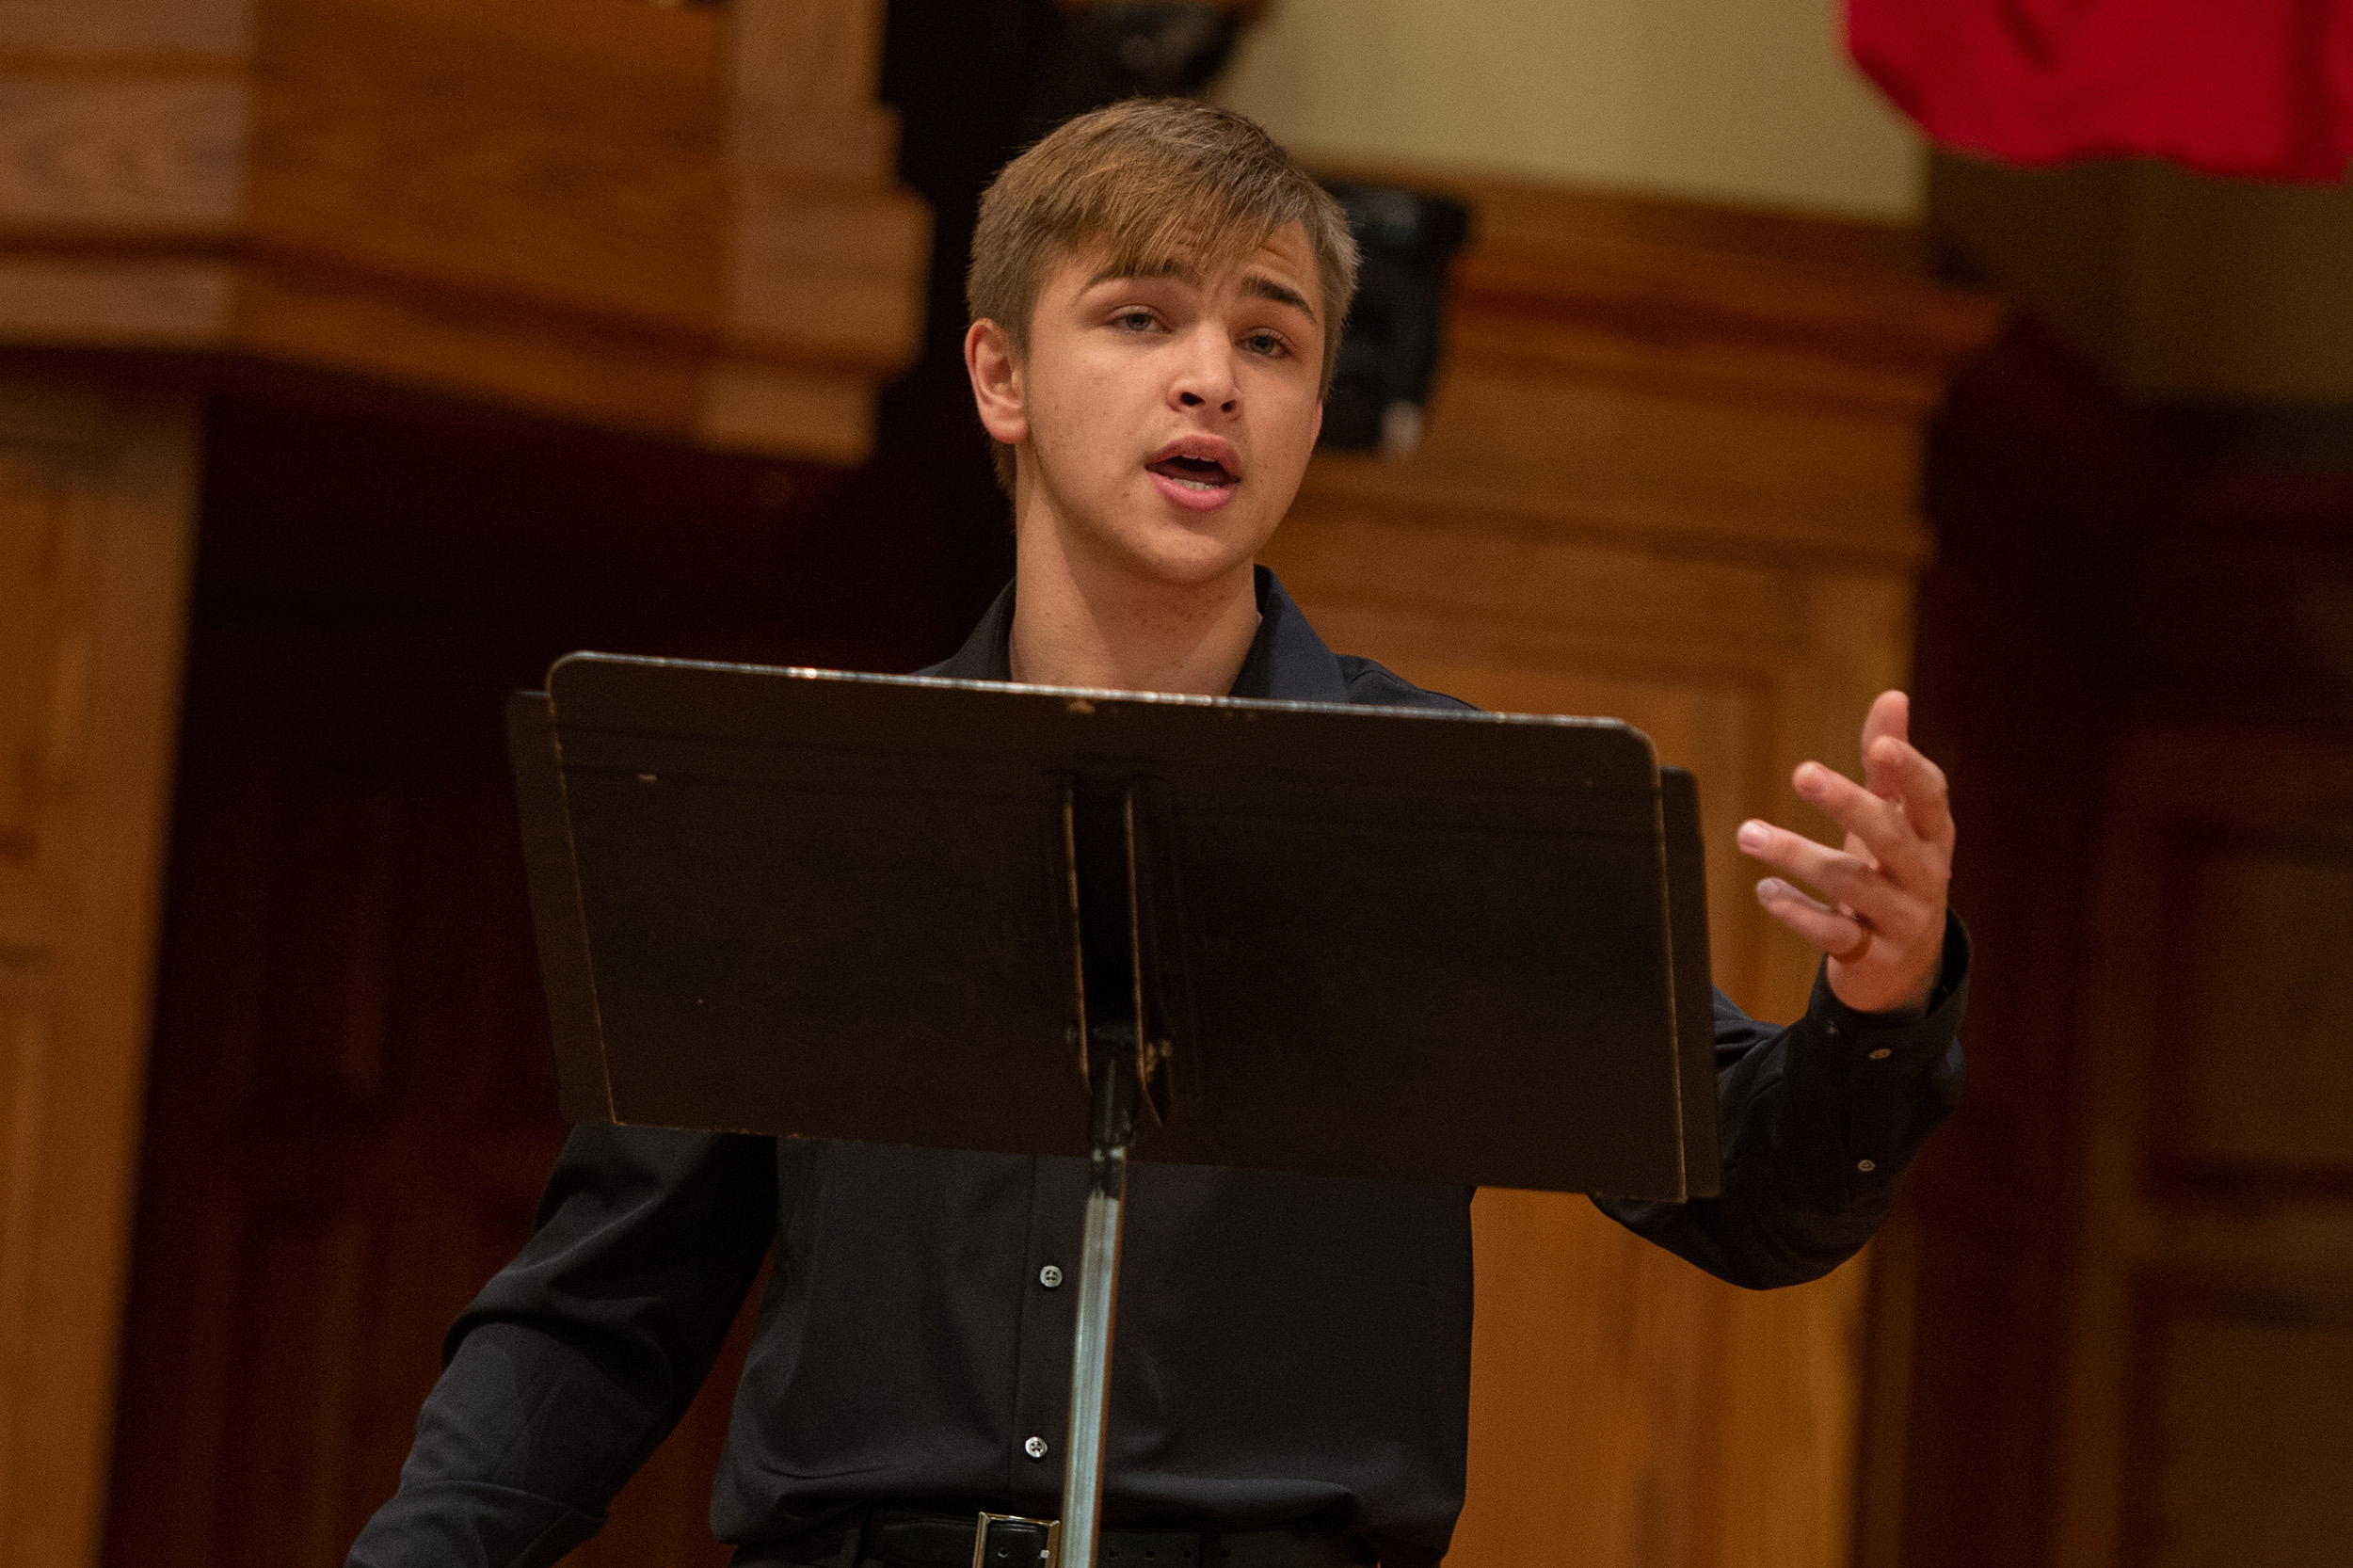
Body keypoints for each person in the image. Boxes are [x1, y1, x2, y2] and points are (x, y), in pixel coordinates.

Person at [347, 99, 1966, 1568]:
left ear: (1315, 410)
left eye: (1270, 341)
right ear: (999, 377)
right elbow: (600, 1314)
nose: (1212, 377)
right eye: (1140, 317)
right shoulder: (817, 799)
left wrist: (1876, 1003)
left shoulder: (1431, 809)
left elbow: (1751, 1191)